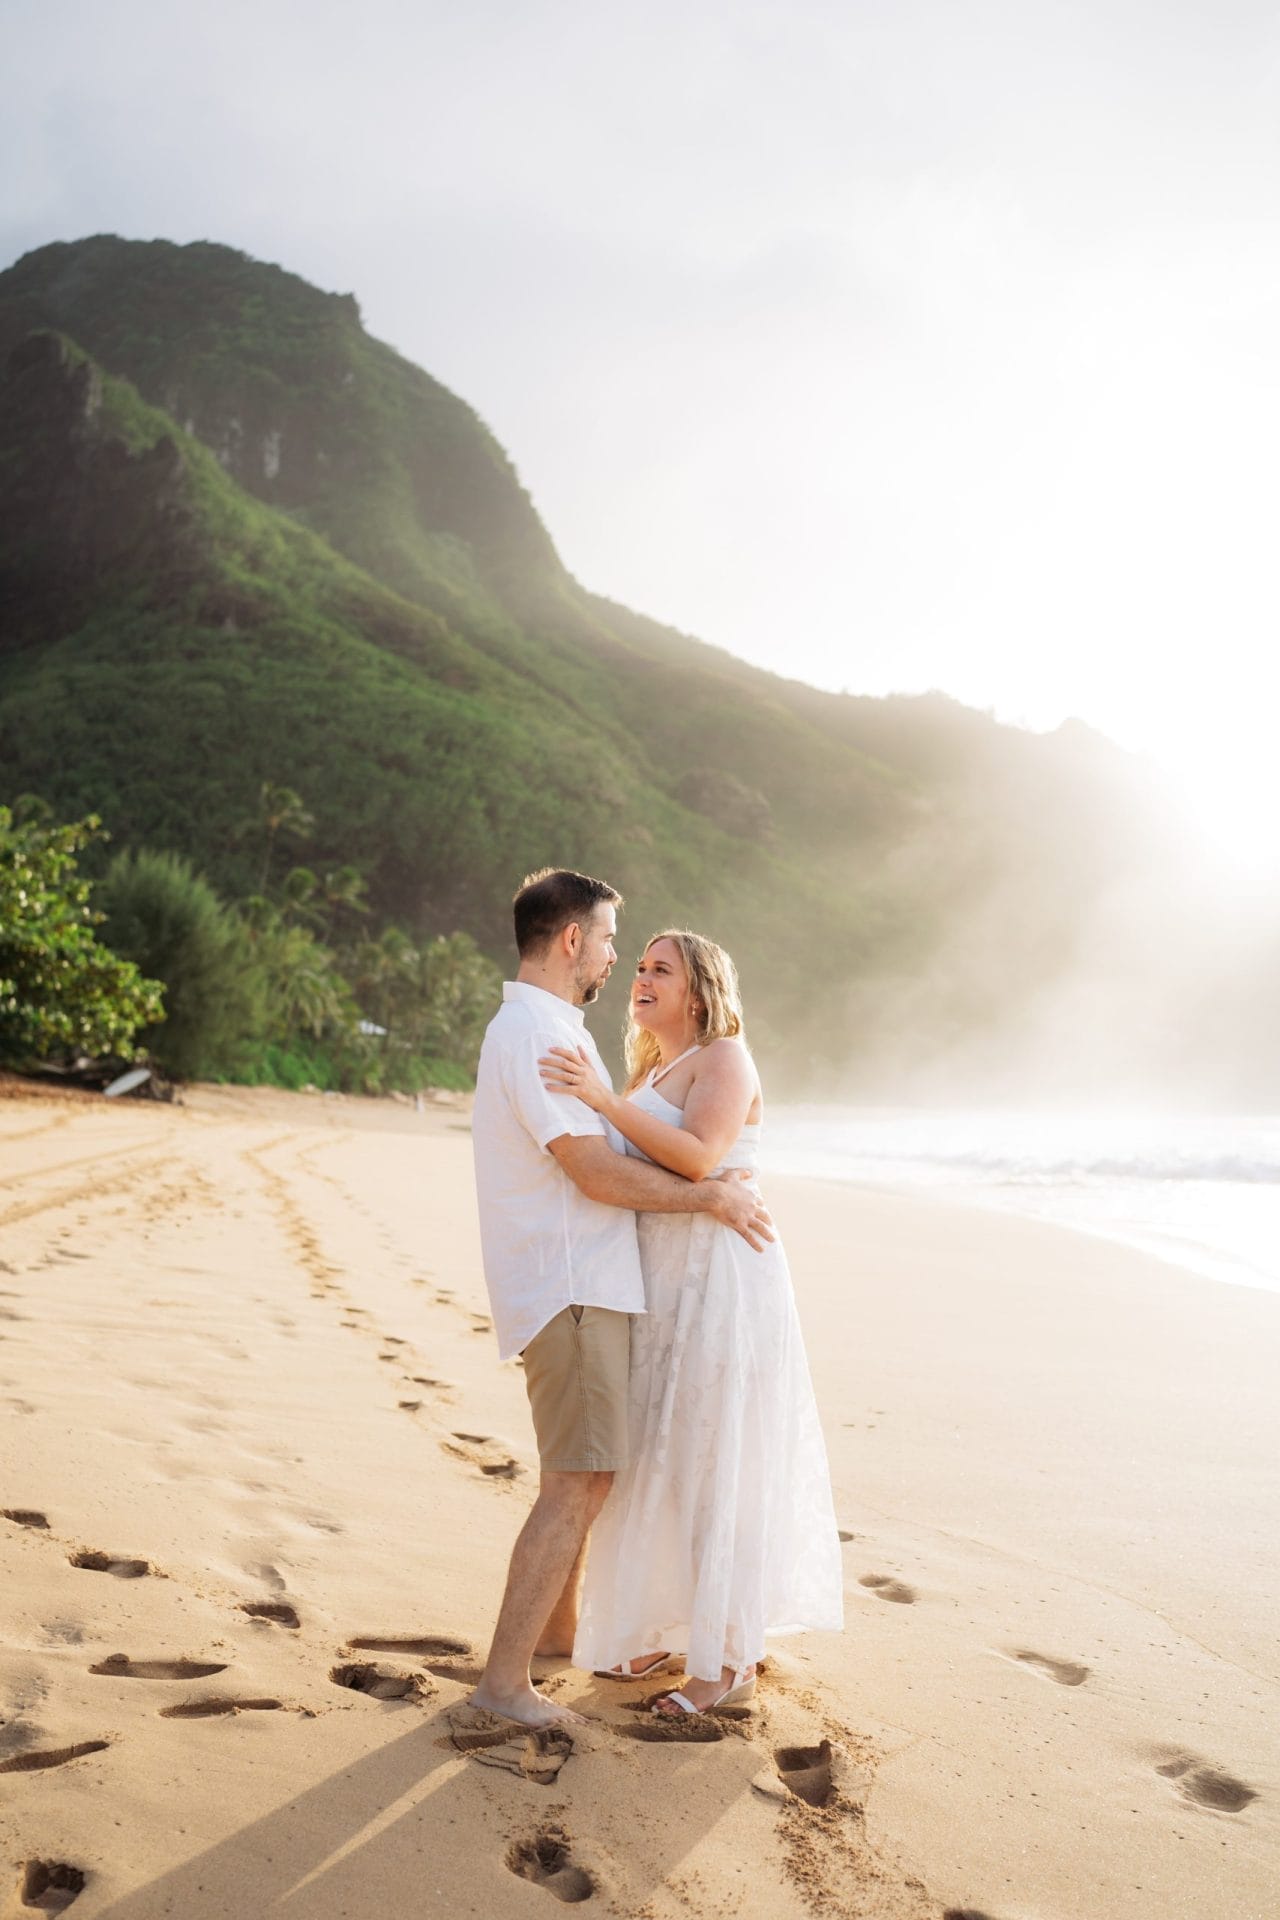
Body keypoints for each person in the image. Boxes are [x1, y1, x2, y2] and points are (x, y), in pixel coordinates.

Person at [468, 872, 774, 1730]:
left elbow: (658, 1144)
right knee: (580, 1480)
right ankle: (502, 1686)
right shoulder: (535, 1033)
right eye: (611, 942)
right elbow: (597, 1171)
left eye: (651, 964)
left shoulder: (560, 1031)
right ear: (572, 940)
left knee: (592, 1473)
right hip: (573, 1287)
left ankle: (559, 1640)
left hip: (612, 1288)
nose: (618, 962)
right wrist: (710, 1197)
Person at [539, 928, 843, 1714]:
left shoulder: (725, 1057)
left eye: (659, 969)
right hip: (662, 1280)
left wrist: (604, 1103)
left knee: (713, 1460)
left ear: (699, 991)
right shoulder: (655, 1067)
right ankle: (663, 1628)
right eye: (637, 966)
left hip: (720, 1276)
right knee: (658, 1454)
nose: (640, 977)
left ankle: (725, 1662)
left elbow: (701, 1157)